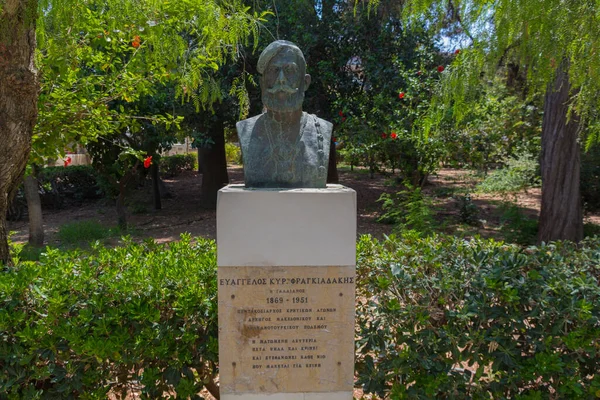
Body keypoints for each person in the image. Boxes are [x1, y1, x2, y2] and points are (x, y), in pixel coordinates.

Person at [236, 40, 333, 188]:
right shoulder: (246, 130)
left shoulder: (322, 130)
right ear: (262, 83)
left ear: (305, 82)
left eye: (290, 70)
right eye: (273, 71)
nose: (281, 80)